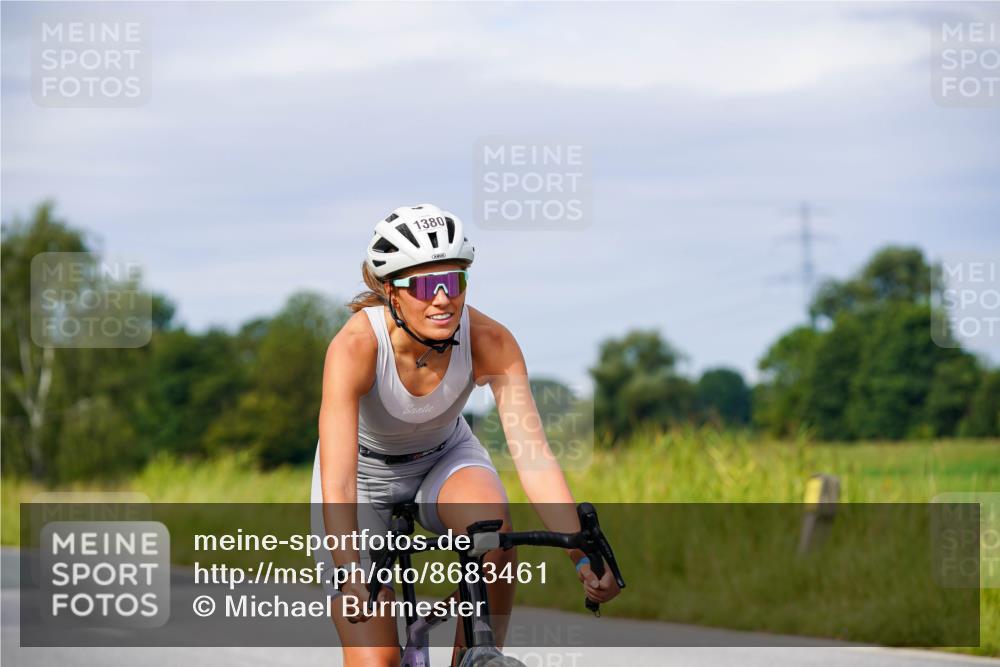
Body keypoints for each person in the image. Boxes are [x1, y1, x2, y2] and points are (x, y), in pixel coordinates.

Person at [310, 203, 619, 667]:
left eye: (452, 282)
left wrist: (581, 552)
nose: (442, 299)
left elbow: (533, 457)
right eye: (424, 285)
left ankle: (476, 656)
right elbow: (337, 482)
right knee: (376, 660)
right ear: (390, 290)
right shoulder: (355, 347)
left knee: (490, 530)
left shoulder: (491, 341)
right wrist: (350, 570)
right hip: (363, 477)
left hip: (443, 457)